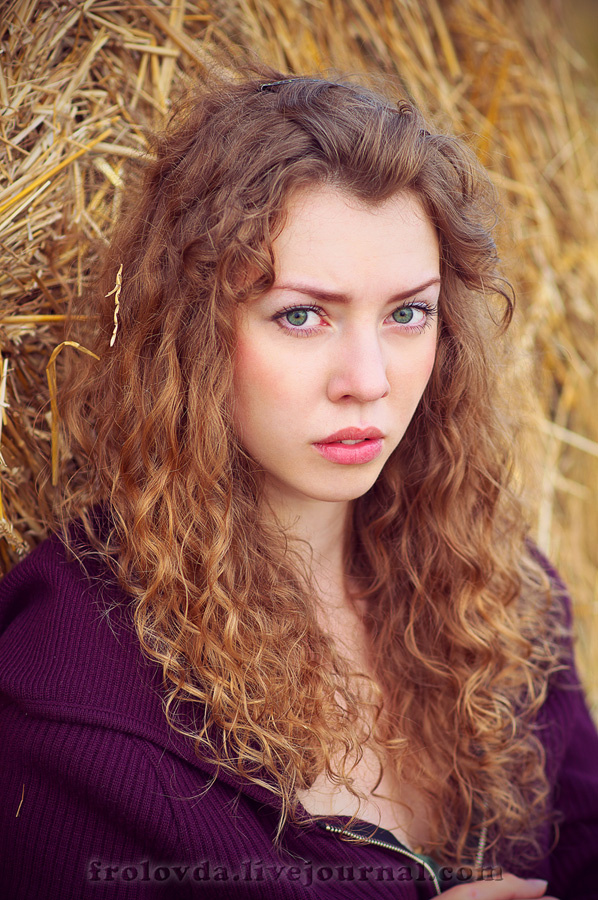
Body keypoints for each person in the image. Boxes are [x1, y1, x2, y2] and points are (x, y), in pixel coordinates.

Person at [0, 68, 597, 900]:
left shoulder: (504, 595)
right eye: (302, 315)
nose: (369, 380)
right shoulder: (73, 704)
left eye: (407, 313)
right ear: (194, 333)